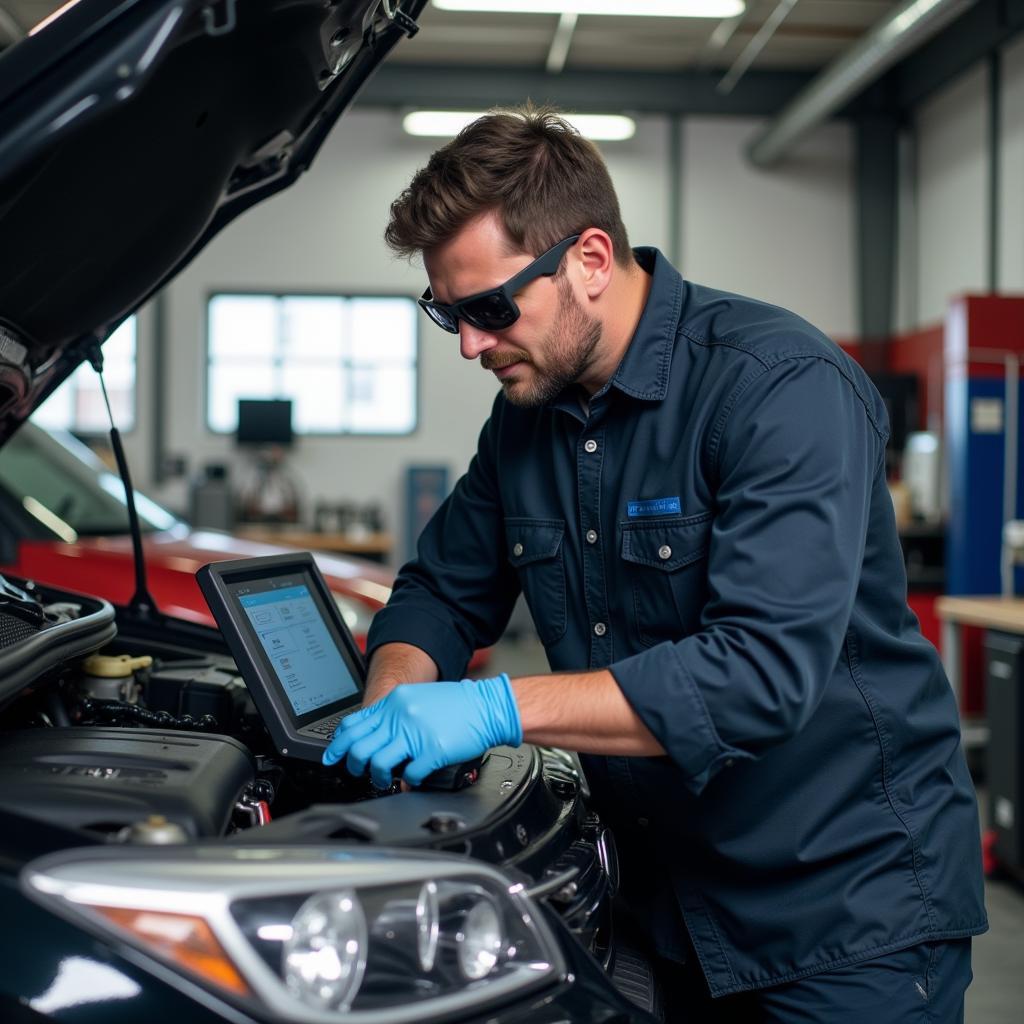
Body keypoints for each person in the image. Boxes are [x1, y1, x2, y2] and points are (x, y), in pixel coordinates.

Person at [323, 106, 987, 1021]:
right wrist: (395, 694)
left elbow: (760, 674)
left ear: (589, 260)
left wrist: (493, 707)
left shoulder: (780, 388)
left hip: (840, 917)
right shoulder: (526, 421)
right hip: (658, 900)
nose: (472, 344)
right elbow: (443, 588)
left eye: (490, 309)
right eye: (449, 314)